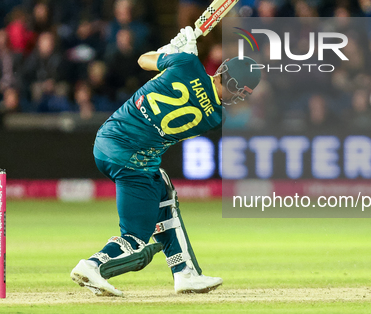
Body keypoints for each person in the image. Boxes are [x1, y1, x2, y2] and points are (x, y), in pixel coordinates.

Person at [70, 26, 261, 295]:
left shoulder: (186, 63)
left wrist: (171, 51)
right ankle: (92, 265)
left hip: (107, 140)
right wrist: (180, 55)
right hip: (131, 159)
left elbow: (143, 60)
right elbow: (194, 90)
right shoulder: (216, 118)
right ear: (231, 85)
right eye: (240, 91)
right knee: (135, 238)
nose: (239, 97)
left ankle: (185, 272)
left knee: (164, 190)